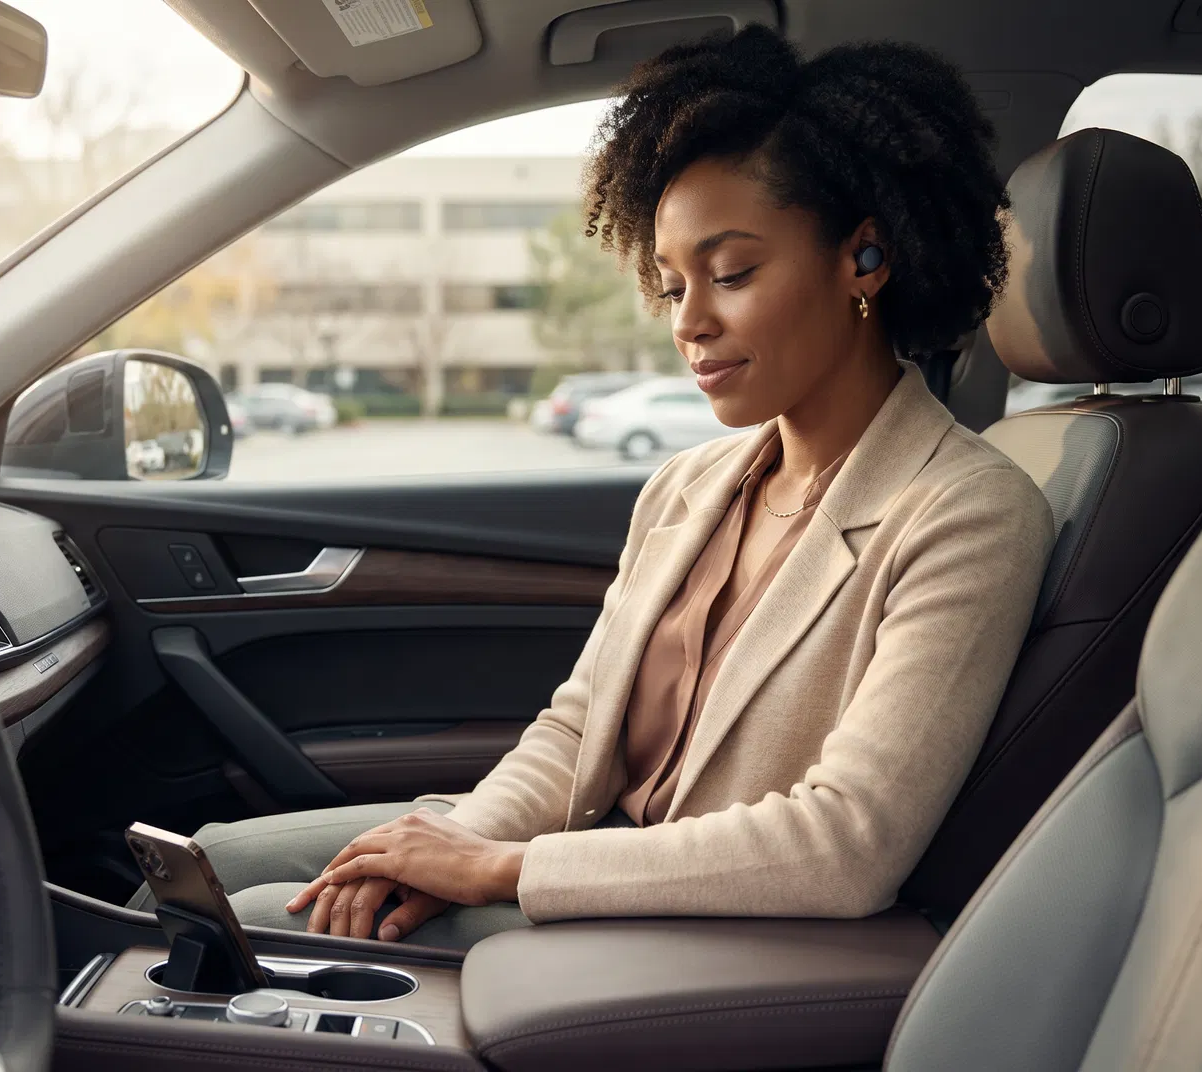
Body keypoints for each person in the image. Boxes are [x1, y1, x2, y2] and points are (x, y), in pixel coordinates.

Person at [127, 25, 1054, 950]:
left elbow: (846, 843)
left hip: (711, 923)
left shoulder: (968, 512)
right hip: (589, 851)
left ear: (864, 259)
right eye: (670, 283)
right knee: (194, 871)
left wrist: (500, 870)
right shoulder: (687, 488)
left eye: (731, 273)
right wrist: (460, 837)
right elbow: (577, 731)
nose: (689, 322)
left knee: (236, 932)